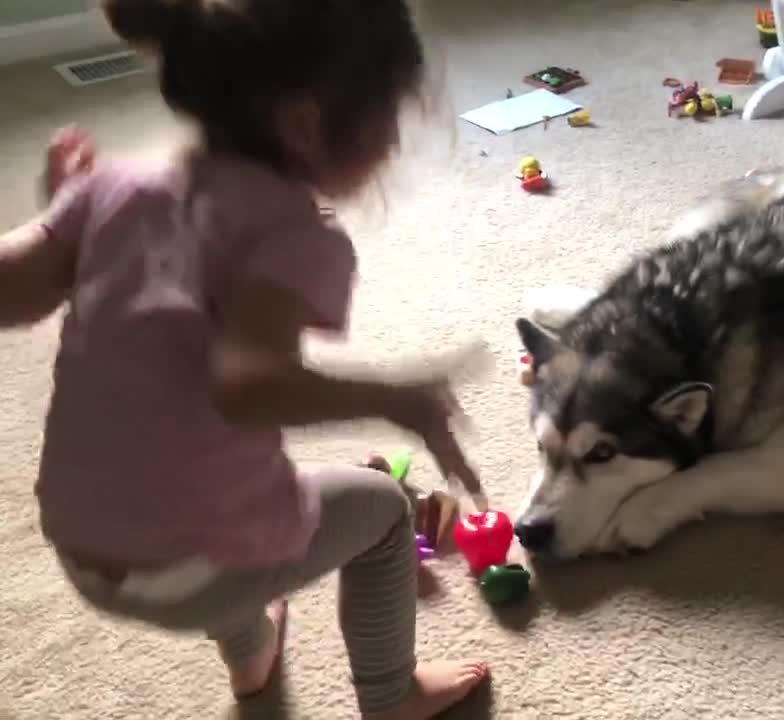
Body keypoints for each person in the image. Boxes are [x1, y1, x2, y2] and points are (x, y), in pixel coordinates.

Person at [0, 0, 490, 717]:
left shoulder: (112, 188)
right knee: (383, 511)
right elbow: (247, 386)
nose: (392, 145)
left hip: (82, 545)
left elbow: (10, 290)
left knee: (218, 481)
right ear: (305, 123)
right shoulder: (294, 235)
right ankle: (392, 693)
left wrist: (69, 218)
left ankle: (250, 652)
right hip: (195, 565)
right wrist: (398, 397)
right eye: (390, 120)